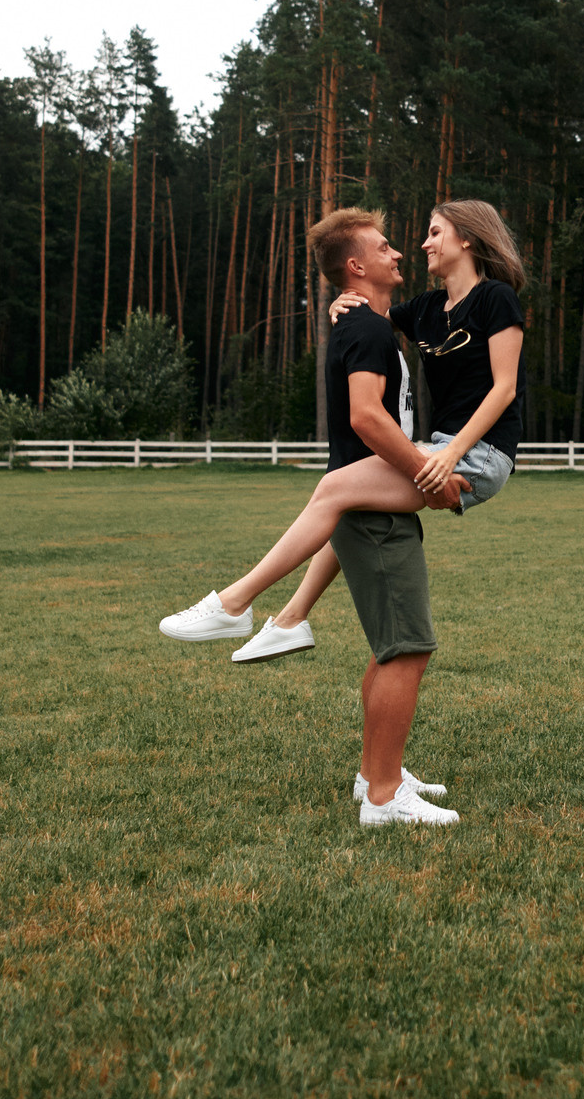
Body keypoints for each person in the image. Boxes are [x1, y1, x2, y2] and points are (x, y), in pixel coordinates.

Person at [161, 206, 462, 825]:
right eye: (384, 247)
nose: (398, 253)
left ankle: (376, 773)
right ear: (356, 266)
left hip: (369, 503)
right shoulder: (369, 332)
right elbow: (366, 418)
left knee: (390, 649)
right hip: (377, 512)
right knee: (406, 649)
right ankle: (383, 799)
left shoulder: (367, 325)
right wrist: (426, 471)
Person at [158, 200, 525, 667]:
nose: (422, 244)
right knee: (346, 497)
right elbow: (372, 322)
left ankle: (235, 602)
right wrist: (342, 300)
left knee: (334, 487)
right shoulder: (429, 308)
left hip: (481, 454)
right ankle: (290, 620)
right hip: (441, 448)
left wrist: (450, 454)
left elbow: (505, 388)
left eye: (434, 233)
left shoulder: (496, 298)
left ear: (467, 239)